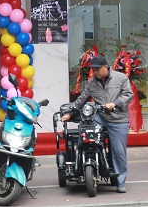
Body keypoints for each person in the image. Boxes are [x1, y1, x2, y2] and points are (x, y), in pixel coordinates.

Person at [60, 55, 133, 194]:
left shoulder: (121, 78)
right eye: (93, 70)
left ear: (106, 67)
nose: (95, 72)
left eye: (97, 69)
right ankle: (82, 158)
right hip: (101, 117)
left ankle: (120, 182)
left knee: (119, 152)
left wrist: (115, 104)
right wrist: (70, 113)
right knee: (84, 125)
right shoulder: (91, 83)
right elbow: (82, 99)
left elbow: (128, 94)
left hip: (118, 120)